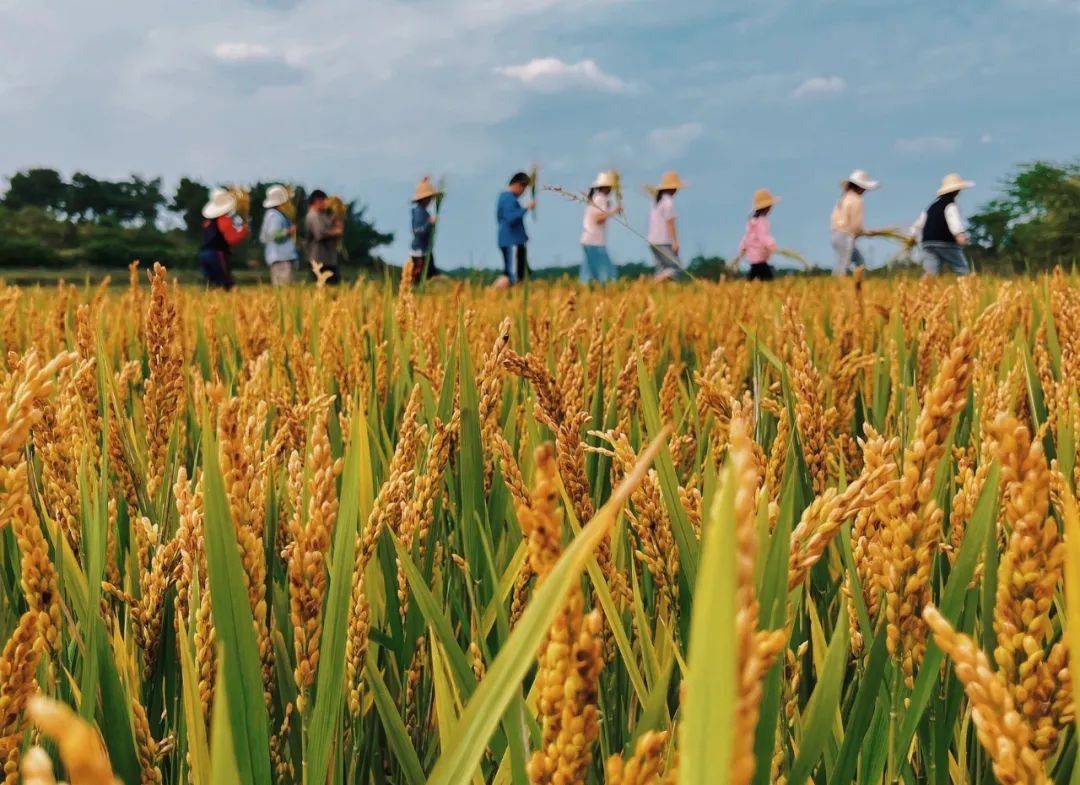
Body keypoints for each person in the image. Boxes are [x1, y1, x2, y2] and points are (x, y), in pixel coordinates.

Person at [910, 173, 975, 277]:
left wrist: (912, 237)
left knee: (930, 271)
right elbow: (954, 221)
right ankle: (967, 287)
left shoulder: (931, 207)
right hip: (945, 242)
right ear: (956, 191)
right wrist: (959, 235)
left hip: (928, 243)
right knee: (961, 267)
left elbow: (918, 225)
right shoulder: (950, 205)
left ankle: (924, 290)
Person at [197, 188, 249, 289]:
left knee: (211, 284)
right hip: (217, 254)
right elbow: (231, 239)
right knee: (226, 282)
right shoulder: (224, 220)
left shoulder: (207, 223)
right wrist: (243, 231)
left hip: (203, 255)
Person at [830, 169, 878, 276]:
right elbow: (856, 227)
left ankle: (856, 286)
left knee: (856, 261)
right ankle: (840, 287)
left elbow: (834, 218)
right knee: (844, 264)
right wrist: (868, 233)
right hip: (845, 235)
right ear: (860, 187)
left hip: (835, 234)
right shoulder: (857, 200)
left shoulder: (844, 198)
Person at [580, 171, 621, 285]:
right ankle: (606, 293)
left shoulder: (596, 198)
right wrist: (615, 210)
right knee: (607, 274)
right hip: (595, 241)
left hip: (588, 240)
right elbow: (599, 219)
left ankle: (586, 294)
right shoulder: (600, 199)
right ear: (607, 187)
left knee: (588, 275)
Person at [496, 172, 535, 284]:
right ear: (518, 185)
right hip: (512, 241)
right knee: (514, 277)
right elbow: (511, 218)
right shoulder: (508, 198)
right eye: (523, 189)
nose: (523, 193)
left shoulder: (505, 197)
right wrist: (526, 208)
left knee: (516, 274)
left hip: (511, 240)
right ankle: (492, 293)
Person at [733, 189, 779, 281]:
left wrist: (743, 248)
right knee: (768, 279)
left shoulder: (752, 222)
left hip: (752, 256)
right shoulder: (762, 221)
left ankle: (746, 288)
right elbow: (763, 236)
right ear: (767, 207)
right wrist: (772, 246)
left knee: (754, 274)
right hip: (760, 256)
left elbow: (746, 238)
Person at [647, 171, 685, 280]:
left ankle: (655, 289)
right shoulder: (669, 202)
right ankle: (653, 282)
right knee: (675, 268)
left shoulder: (657, 201)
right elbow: (670, 223)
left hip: (653, 241)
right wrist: (675, 242)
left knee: (662, 268)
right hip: (663, 241)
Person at [259, 184, 297, 286]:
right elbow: (274, 234)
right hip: (281, 258)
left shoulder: (271, 215)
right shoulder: (274, 216)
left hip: (278, 257)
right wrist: (289, 231)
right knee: (284, 287)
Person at [305, 189, 344, 284]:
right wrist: (336, 232)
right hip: (319, 260)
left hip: (328, 259)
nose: (326, 204)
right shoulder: (313, 216)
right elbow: (320, 234)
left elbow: (329, 225)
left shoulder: (321, 215)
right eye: (325, 201)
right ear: (318, 201)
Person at [410, 177, 442, 283]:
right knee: (421, 278)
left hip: (425, 250)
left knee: (431, 276)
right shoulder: (419, 213)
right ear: (424, 199)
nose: (431, 200)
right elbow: (418, 231)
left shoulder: (422, 211)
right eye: (429, 198)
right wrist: (430, 223)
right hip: (420, 253)